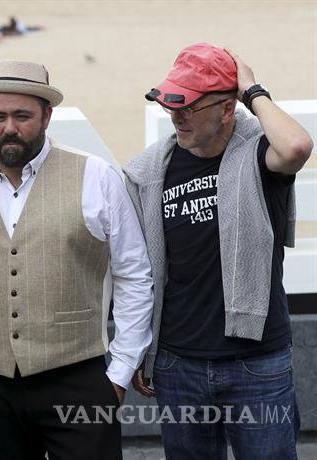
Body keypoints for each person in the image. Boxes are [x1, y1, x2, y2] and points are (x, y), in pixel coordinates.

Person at [0, 59, 154, 459]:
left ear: (47, 116)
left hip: (77, 376)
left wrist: (119, 373)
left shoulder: (96, 176)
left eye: (22, 116)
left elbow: (134, 274)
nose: (9, 128)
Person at [125, 43, 312, 459]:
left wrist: (252, 91)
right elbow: (140, 271)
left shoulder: (259, 152)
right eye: (171, 105)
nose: (176, 116)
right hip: (178, 363)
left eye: (190, 107)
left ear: (227, 109)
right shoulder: (151, 170)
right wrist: (141, 349)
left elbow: (297, 147)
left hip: (256, 363)